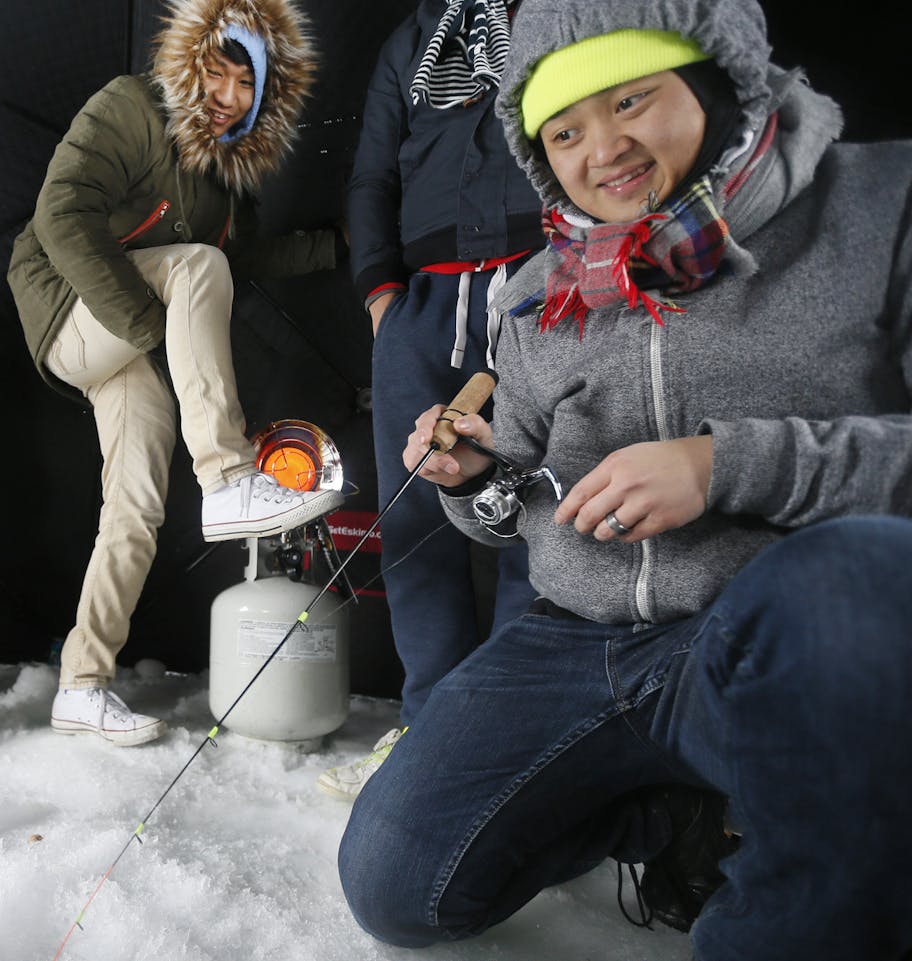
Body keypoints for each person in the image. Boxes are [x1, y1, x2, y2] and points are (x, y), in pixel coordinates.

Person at [337, 0, 912, 956]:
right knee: (397, 883)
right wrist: (471, 472)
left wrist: (725, 464)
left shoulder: (881, 206)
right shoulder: (536, 289)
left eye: (631, 100)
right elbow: (514, 503)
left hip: (769, 644)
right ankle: (686, 812)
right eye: (563, 130)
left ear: (716, 80)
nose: (602, 149)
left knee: (850, 587)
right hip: (575, 641)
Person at [8, 0, 344, 747]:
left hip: (125, 343)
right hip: (68, 311)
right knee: (196, 266)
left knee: (135, 507)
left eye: (246, 86)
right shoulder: (128, 106)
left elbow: (243, 264)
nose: (228, 96)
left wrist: (332, 248)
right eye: (217, 73)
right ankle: (226, 476)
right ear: (188, 65)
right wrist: (146, 326)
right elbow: (61, 213)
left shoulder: (225, 179)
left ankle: (82, 682)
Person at [318, 0, 541, 800]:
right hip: (421, 301)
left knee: (541, 515)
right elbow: (373, 173)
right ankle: (428, 731)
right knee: (412, 520)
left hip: (548, 286)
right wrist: (382, 298)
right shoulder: (413, 39)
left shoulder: (572, 12)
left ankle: (512, 740)